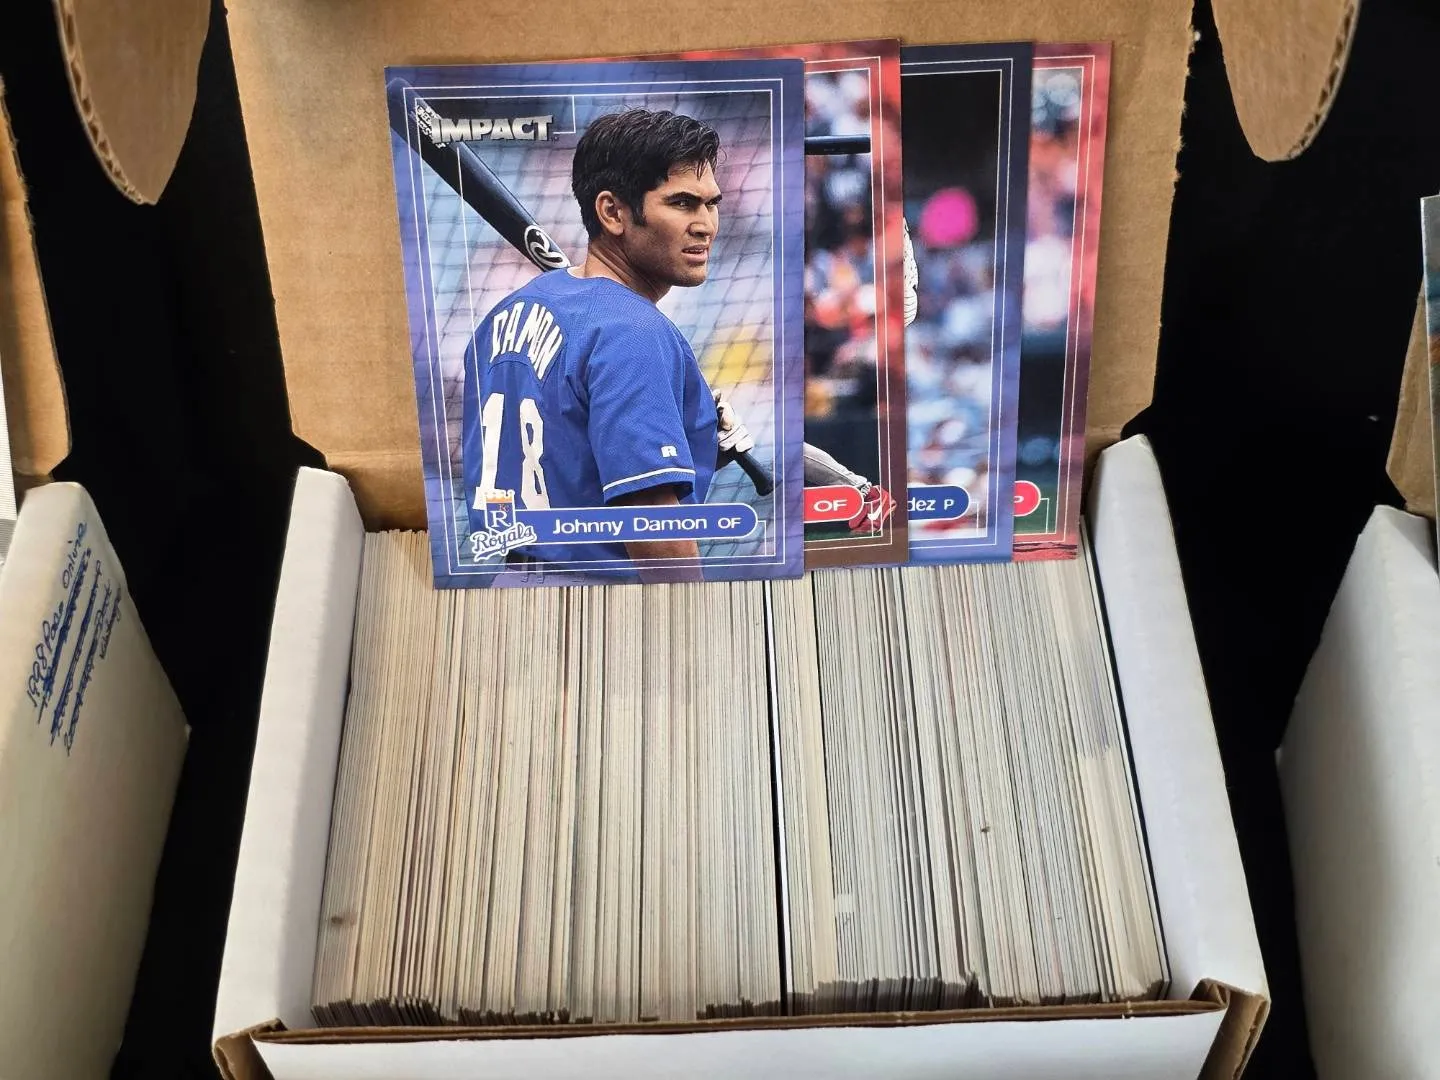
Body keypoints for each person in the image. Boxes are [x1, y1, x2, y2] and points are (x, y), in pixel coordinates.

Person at [460, 108, 754, 578]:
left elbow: (565, 459)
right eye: (682, 203)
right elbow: (654, 528)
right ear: (613, 212)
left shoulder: (502, 316)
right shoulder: (633, 331)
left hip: (509, 588)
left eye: (711, 203)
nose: (706, 225)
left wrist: (692, 441)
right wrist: (698, 616)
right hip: (601, 602)